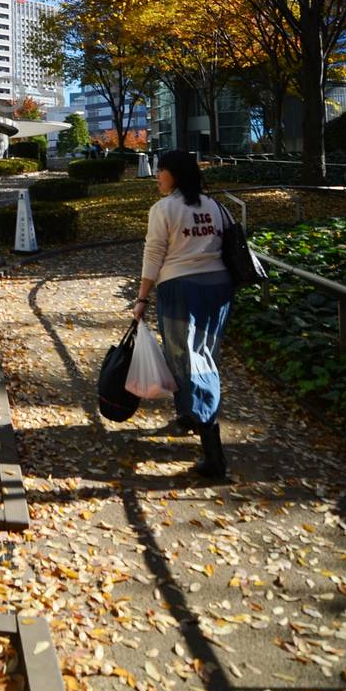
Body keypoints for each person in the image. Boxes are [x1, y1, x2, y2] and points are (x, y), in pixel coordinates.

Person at [131, 149, 232, 479]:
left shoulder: (164, 209)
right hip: (218, 288)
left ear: (177, 174)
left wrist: (142, 298)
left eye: (163, 171)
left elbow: (153, 254)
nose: (158, 176)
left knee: (188, 359)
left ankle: (212, 447)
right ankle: (191, 414)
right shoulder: (217, 207)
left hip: (180, 290)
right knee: (204, 354)